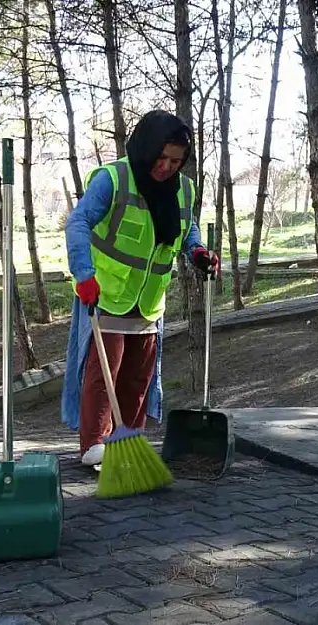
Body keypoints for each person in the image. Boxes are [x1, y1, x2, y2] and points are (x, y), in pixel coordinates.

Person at [61, 110, 220, 468]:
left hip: (149, 300)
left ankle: (128, 442)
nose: (166, 167)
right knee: (104, 372)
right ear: (147, 148)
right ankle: (94, 445)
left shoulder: (183, 188)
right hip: (106, 294)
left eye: (176, 161)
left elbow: (186, 228)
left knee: (138, 376)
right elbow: (78, 223)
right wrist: (84, 274)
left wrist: (197, 251)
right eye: (161, 157)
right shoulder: (114, 179)